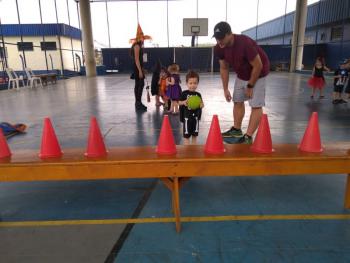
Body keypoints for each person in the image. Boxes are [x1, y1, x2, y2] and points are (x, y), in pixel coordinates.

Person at [213, 21, 270, 144]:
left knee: (256, 105)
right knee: (237, 100)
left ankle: (248, 137)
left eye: (221, 38)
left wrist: (250, 85)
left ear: (230, 34)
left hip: (258, 72)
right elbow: (224, 68)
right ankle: (236, 130)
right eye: (217, 38)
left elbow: (258, 66)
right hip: (242, 73)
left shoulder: (244, 43)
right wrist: (225, 89)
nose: (219, 41)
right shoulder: (219, 48)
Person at [179, 70, 204, 145]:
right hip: (187, 119)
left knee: (194, 135)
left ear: (197, 83)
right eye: (190, 83)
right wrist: (184, 102)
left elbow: (201, 104)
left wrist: (202, 105)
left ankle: (193, 150)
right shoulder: (184, 93)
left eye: (195, 83)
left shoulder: (198, 94)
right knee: (186, 136)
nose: (193, 85)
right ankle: (187, 150)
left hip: (195, 119)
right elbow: (179, 103)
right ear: (187, 83)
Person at [130, 24, 151, 111]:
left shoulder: (139, 45)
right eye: (142, 38)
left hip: (139, 67)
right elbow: (136, 60)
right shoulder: (137, 46)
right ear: (139, 38)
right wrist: (140, 71)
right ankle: (138, 103)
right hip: (137, 67)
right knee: (139, 85)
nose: (143, 40)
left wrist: (142, 69)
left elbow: (139, 60)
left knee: (138, 85)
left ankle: (138, 103)